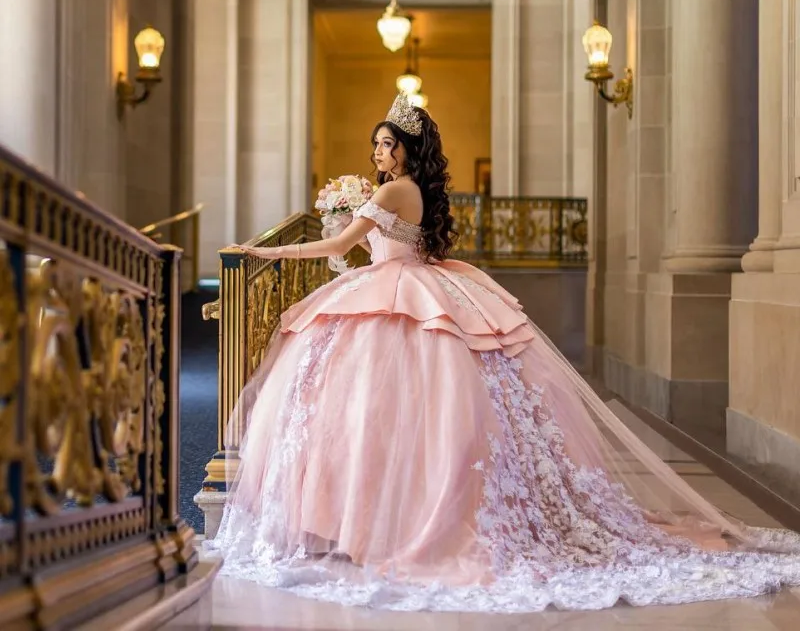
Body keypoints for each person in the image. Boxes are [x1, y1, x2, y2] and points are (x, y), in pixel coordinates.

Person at [206, 94, 800, 613]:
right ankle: (388, 515)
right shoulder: (415, 191)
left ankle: (369, 521)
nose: (378, 154)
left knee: (373, 406)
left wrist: (268, 256)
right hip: (426, 286)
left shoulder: (389, 191)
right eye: (376, 145)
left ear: (406, 150)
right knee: (414, 408)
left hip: (397, 293)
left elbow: (339, 244)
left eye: (386, 144)